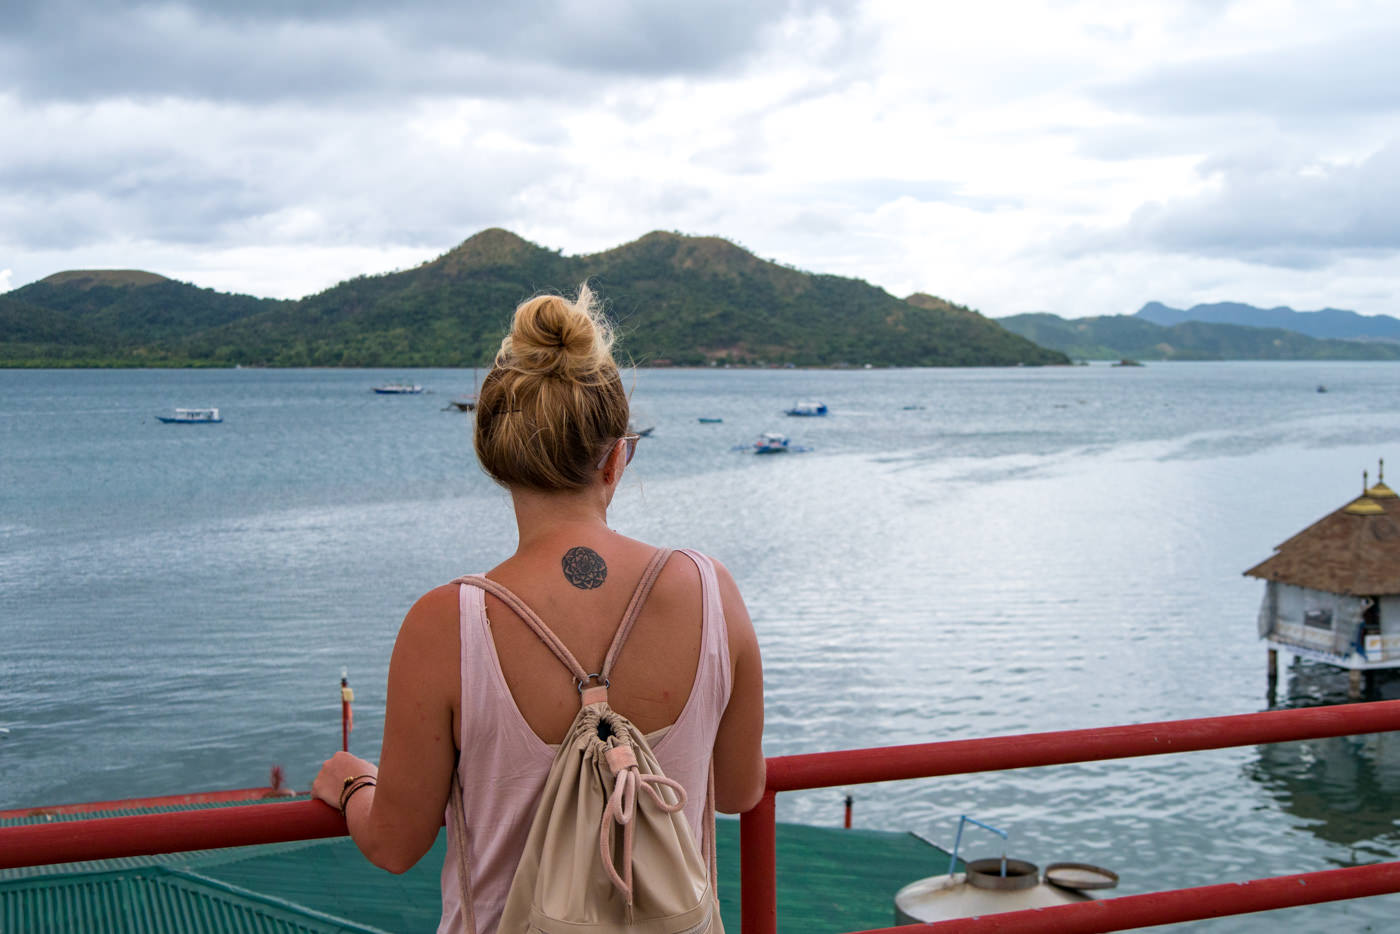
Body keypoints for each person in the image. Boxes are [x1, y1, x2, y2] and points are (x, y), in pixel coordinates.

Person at [312, 285, 766, 934]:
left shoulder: (448, 625)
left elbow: (394, 844)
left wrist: (353, 783)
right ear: (616, 458)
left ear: (495, 460)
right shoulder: (712, 590)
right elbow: (742, 790)